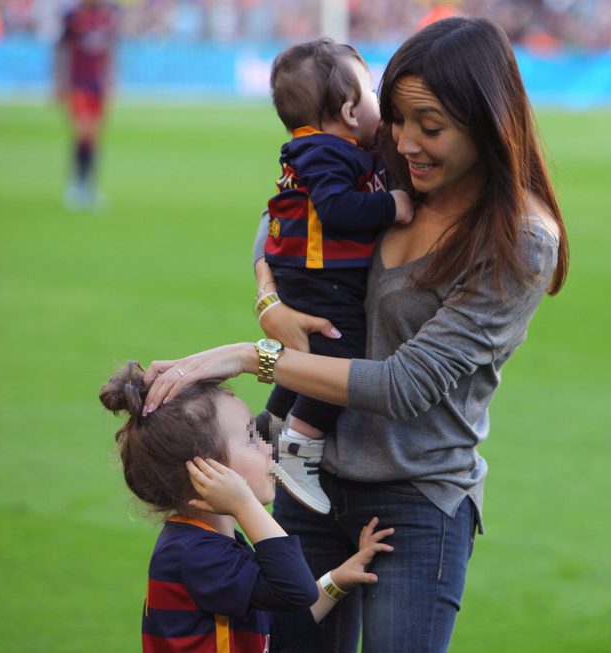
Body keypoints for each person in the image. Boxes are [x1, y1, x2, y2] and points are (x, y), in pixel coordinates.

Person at [141, 16, 569, 653]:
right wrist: (269, 304)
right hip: (305, 484)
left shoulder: (520, 240)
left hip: (417, 500)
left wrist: (248, 355)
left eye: (431, 126)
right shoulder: (390, 174)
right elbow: (275, 221)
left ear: (487, 120)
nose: (405, 141)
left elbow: (403, 385)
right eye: (396, 119)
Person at [99, 361, 394, 652]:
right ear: (204, 470)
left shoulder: (208, 546)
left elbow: (274, 630)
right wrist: (245, 505)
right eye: (251, 438)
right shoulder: (196, 554)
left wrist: (338, 579)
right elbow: (296, 590)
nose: (268, 447)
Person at [259, 38, 413, 516]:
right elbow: (335, 208)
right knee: (341, 356)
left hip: (302, 274)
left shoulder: (316, 149)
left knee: (308, 352)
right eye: (370, 94)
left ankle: (269, 423)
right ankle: (299, 446)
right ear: (349, 109)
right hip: (321, 277)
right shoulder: (327, 152)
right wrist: (393, 204)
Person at [54, 0, 119, 211]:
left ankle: (90, 187)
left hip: (97, 85)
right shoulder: (73, 17)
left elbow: (111, 50)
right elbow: (61, 50)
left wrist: (111, 80)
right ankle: (76, 186)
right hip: (78, 82)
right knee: (82, 132)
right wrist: (60, 82)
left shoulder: (107, 17)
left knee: (94, 136)